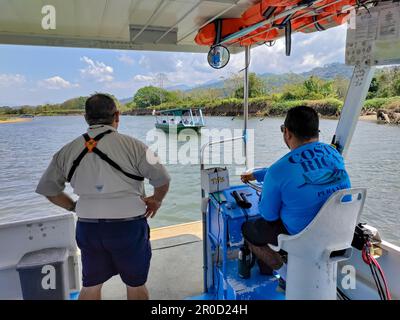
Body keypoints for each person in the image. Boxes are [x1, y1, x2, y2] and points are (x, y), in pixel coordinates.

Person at [36, 93, 170, 300]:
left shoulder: (66, 151)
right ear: (117, 115)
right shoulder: (136, 146)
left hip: (88, 228)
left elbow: (49, 190)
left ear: (86, 117)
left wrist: (73, 207)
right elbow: (162, 179)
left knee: (91, 286)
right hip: (128, 228)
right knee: (135, 285)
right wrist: (156, 200)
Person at [240, 106, 351, 284]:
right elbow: (306, 170)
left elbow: (269, 215)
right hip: (338, 230)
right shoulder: (334, 154)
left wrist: (266, 187)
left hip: (302, 236)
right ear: (317, 132)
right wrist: (257, 175)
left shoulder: (278, 170)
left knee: (249, 229)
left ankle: (287, 276)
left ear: (287, 133)